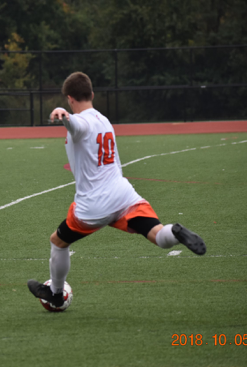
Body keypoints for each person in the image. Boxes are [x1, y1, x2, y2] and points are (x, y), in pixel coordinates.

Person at [27, 72, 206, 308]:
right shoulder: (104, 120)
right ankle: (175, 232)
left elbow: (76, 125)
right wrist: (69, 116)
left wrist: (64, 116)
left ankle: (56, 293)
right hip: (124, 196)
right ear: (91, 94)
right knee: (157, 234)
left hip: (94, 205)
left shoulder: (81, 122)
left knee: (58, 242)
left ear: (70, 99)